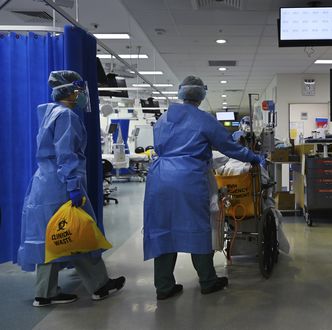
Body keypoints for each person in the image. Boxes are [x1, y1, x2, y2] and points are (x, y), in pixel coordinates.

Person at [143, 76, 264, 300]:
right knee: (197, 227)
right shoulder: (203, 120)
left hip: (159, 178)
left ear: (181, 92)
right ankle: (208, 281)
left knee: (163, 229)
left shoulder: (163, 119)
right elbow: (228, 146)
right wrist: (253, 157)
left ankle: (164, 286)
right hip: (188, 178)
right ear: (201, 94)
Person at [17, 71, 125, 307]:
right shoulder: (66, 116)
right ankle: (99, 286)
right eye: (80, 90)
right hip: (61, 184)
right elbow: (66, 154)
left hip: (43, 183)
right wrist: (73, 186)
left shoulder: (47, 113)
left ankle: (44, 293)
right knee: (78, 233)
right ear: (71, 91)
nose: (82, 95)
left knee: (53, 237)